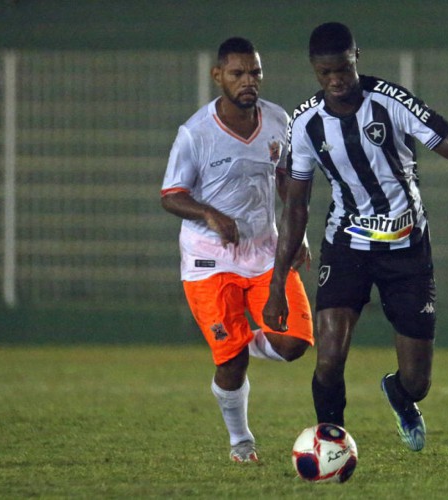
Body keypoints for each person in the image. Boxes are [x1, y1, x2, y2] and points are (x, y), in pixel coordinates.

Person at [263, 22, 448, 452]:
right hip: (346, 245)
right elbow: (295, 205)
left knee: (419, 380)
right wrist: (276, 287)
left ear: (356, 57)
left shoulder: (391, 102)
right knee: (329, 356)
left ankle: (399, 394)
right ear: (314, 70)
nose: (336, 80)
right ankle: (331, 444)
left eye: (342, 69)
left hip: (406, 249)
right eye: (325, 73)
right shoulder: (306, 122)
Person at [161, 37, 314, 463]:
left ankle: (237, 340)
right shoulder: (196, 133)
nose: (249, 81)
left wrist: (295, 231)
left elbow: (286, 178)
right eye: (238, 73)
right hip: (211, 259)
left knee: (294, 343)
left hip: (266, 252)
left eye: (255, 73)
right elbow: (171, 194)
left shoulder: (278, 120)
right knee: (230, 364)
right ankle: (240, 441)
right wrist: (210, 214)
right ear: (218, 76)